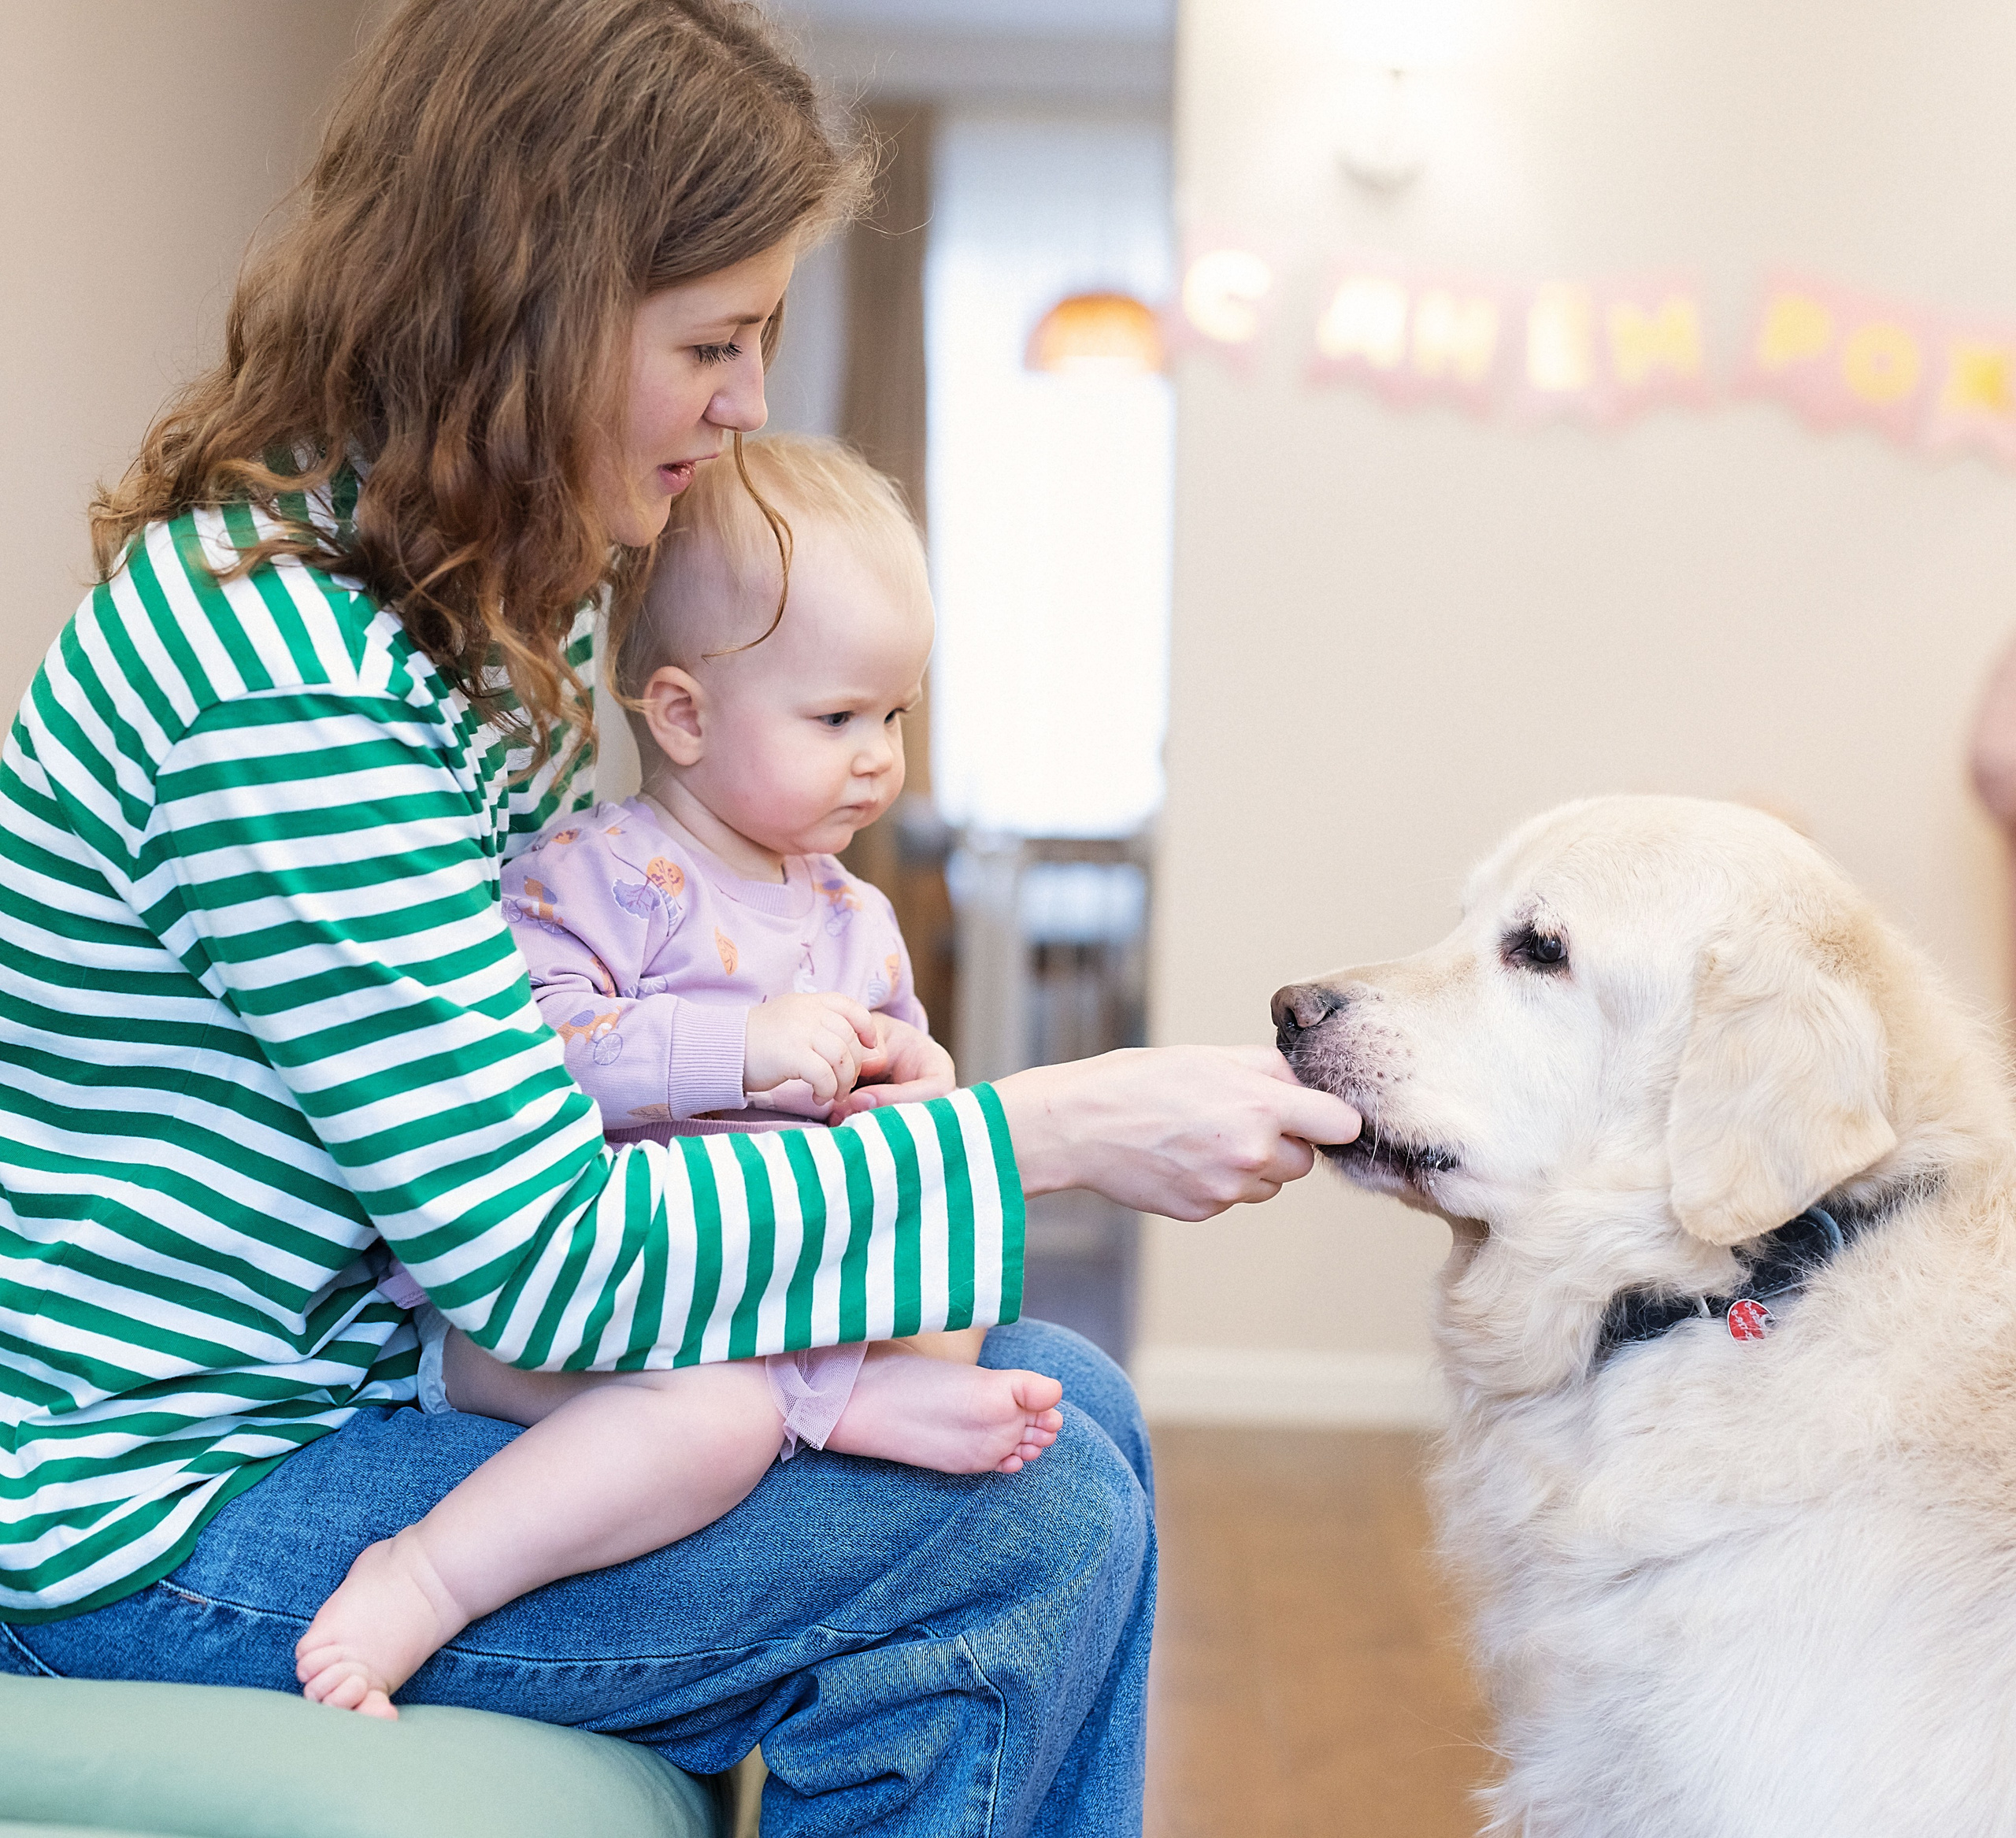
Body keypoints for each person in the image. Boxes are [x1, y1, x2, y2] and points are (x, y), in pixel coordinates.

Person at [0, 2, 1359, 1830]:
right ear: (527, 312)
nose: (747, 407)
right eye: (710, 343)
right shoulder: (289, 687)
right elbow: (543, 1256)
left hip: (371, 1385)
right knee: (1023, 1527)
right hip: (159, 1513)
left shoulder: (472, 609)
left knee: (1068, 1406)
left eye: (760, 339)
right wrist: (1047, 1130)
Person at [297, 435, 1070, 1721]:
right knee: (716, 1415)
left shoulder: (858, 916)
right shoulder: (596, 874)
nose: (879, 756)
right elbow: (536, 1051)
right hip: (553, 1310)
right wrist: (739, 1047)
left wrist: (923, 1081)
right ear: (684, 714)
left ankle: (843, 1389)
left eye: (894, 715)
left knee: (959, 1284)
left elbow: (900, 1120)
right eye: (837, 718)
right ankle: (426, 1572)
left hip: (748, 1286)